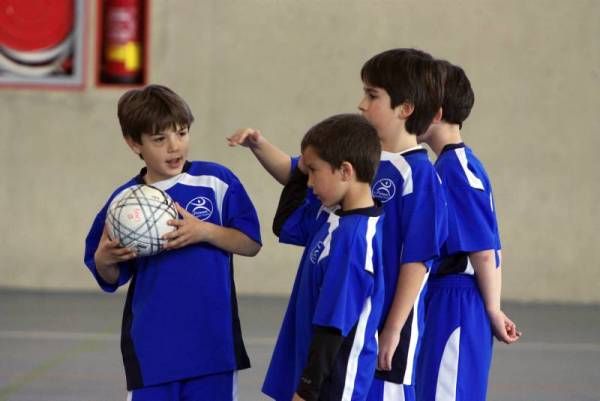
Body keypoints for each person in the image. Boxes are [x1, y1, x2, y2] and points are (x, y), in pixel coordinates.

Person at [84, 84, 262, 401]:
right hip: (153, 351)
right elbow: (110, 277)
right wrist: (103, 260)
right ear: (133, 143)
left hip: (212, 348)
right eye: (159, 139)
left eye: (181, 133)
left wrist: (203, 231)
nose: (174, 146)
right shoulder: (124, 203)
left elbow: (250, 243)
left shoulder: (216, 182)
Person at [416, 61, 521, 401]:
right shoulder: (448, 165)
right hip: (445, 296)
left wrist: (493, 308)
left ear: (435, 113)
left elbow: (485, 249)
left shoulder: (458, 170)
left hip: (458, 299)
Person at [357, 48, 448, 401]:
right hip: (358, 319)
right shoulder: (365, 163)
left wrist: (393, 327)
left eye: (372, 95)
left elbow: (419, 258)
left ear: (405, 108)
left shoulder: (420, 175)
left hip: (390, 326)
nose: (361, 104)